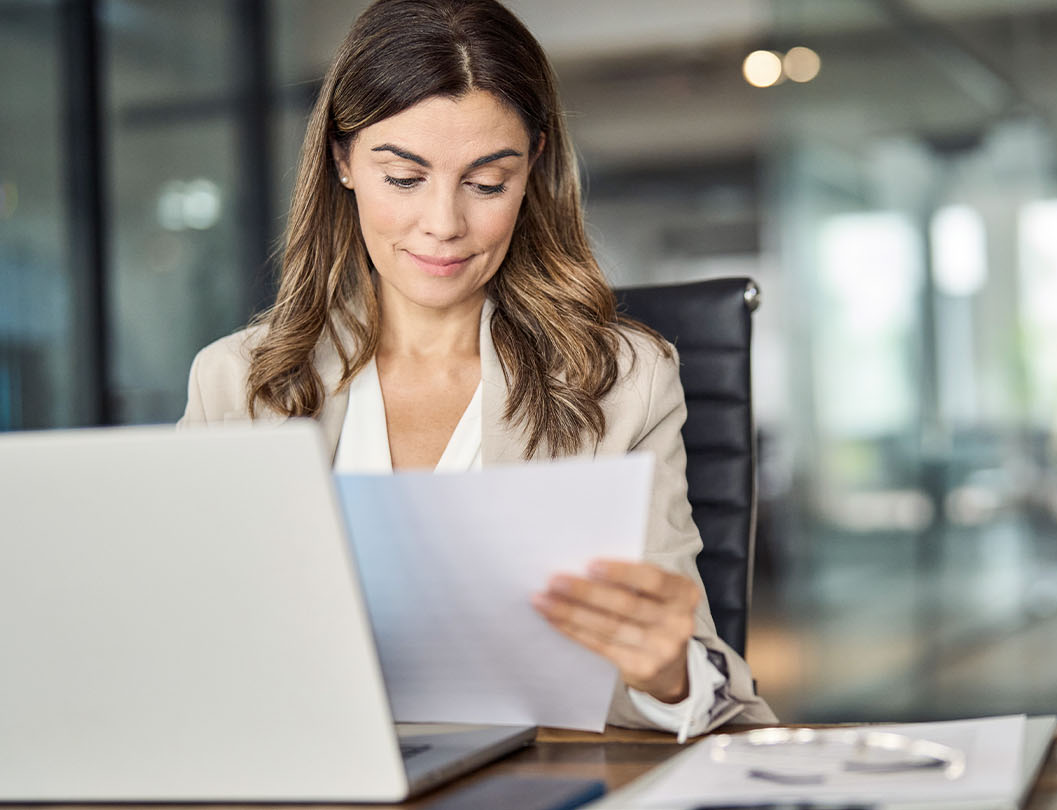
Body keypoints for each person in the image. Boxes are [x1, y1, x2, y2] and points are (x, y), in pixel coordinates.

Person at [177, 0, 775, 735]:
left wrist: (667, 674)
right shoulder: (236, 385)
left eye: (487, 183)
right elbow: (188, 654)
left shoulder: (623, 382)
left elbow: (706, 686)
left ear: (532, 171)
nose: (444, 223)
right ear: (342, 161)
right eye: (404, 177)